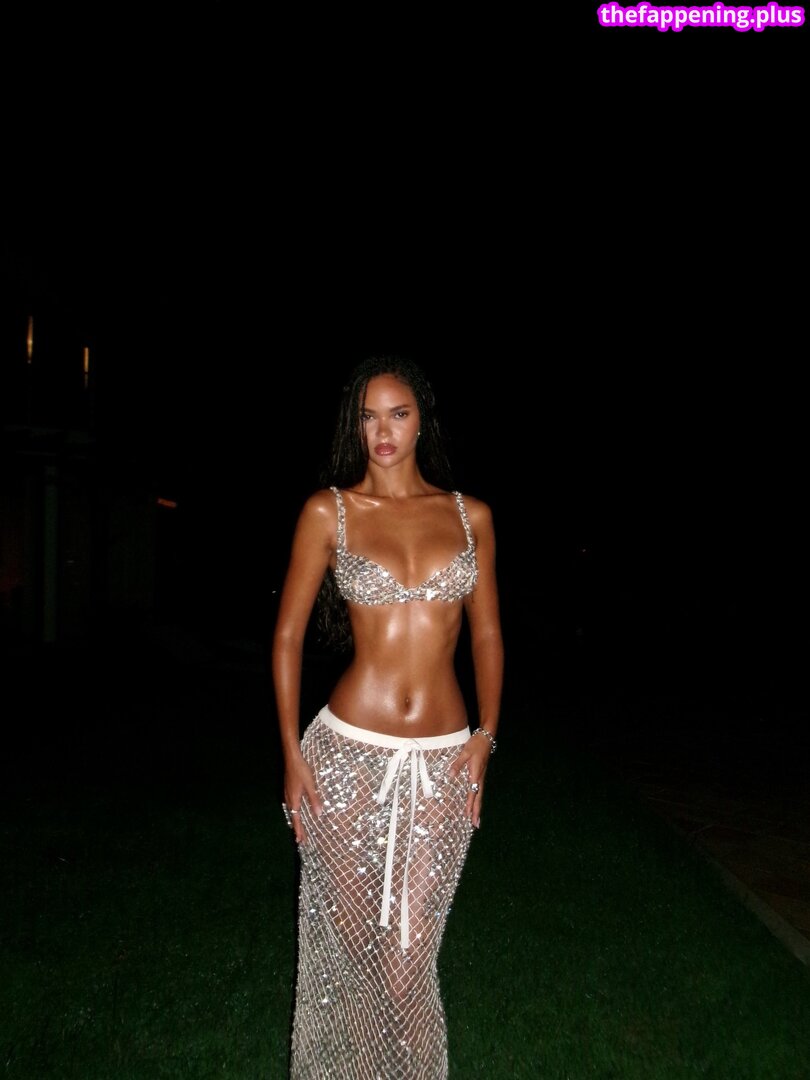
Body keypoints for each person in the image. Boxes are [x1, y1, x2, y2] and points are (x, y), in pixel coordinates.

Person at [272, 356, 503, 1080]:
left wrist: (486, 738)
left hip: (443, 759)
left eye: (398, 414)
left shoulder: (469, 516)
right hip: (344, 756)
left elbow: (488, 636)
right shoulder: (329, 512)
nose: (383, 430)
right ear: (355, 426)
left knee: (408, 963)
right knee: (353, 954)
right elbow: (287, 637)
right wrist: (292, 754)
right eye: (368, 416)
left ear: (421, 420)